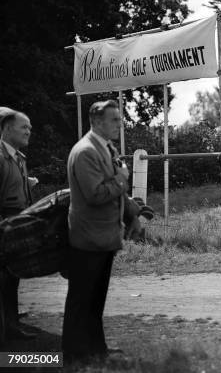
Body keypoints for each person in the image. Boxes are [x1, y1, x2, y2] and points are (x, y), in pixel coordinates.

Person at [62, 100, 140, 361]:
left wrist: (132, 216)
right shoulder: (85, 152)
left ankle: (97, 349)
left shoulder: (106, 147)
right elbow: (95, 194)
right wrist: (122, 178)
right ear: (96, 122)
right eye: (114, 120)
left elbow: (114, 191)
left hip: (104, 236)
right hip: (89, 237)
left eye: (120, 119)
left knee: (95, 300)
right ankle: (73, 355)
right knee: (81, 300)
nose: (120, 124)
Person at [0, 109, 36, 339]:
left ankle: (10, 322)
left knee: (11, 277)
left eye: (29, 127)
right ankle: (8, 327)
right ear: (6, 128)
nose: (28, 131)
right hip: (4, 224)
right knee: (5, 278)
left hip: (16, 223)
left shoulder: (18, 157)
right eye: (24, 127)